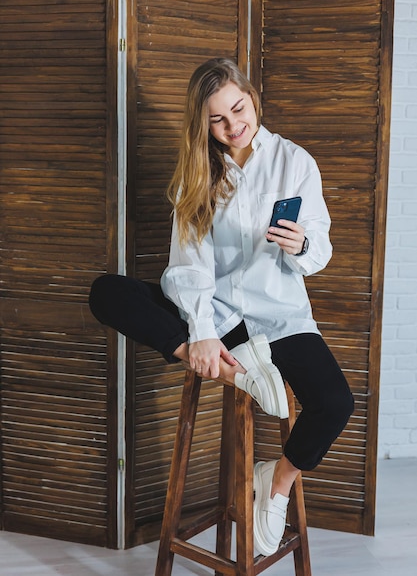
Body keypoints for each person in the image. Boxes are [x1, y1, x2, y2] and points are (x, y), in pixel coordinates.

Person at [89, 57, 354, 557]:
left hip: (280, 316)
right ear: (203, 123)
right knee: (106, 291)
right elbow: (188, 268)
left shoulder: (295, 161)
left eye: (238, 109)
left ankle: (273, 483)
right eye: (218, 119)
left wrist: (300, 245)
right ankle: (237, 373)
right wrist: (202, 333)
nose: (234, 126)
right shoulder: (199, 171)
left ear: (252, 97)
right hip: (219, 317)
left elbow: (319, 253)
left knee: (336, 404)